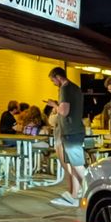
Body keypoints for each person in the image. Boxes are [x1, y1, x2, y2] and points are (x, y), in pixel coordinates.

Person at [44, 66, 86, 206]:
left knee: (78, 165)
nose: (54, 83)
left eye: (53, 80)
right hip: (75, 130)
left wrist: (54, 105)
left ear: (58, 77)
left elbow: (63, 111)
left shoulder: (65, 88)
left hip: (70, 131)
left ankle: (91, 190)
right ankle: (74, 196)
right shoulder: (75, 87)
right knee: (74, 165)